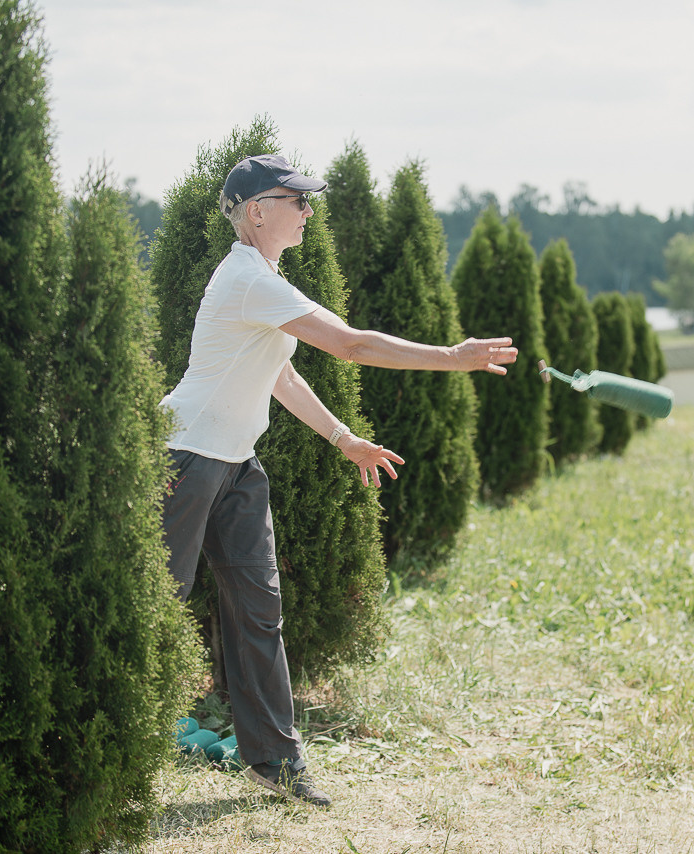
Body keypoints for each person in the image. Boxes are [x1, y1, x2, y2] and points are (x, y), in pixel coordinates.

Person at [160, 154, 517, 808]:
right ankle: (106, 749)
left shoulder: (263, 279)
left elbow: (280, 375)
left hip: (237, 462)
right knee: (155, 609)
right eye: (295, 201)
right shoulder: (247, 279)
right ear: (256, 210)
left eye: (307, 200)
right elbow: (351, 346)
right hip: (186, 456)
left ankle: (274, 764)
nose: (308, 211)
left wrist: (342, 438)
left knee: (259, 614)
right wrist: (452, 358)